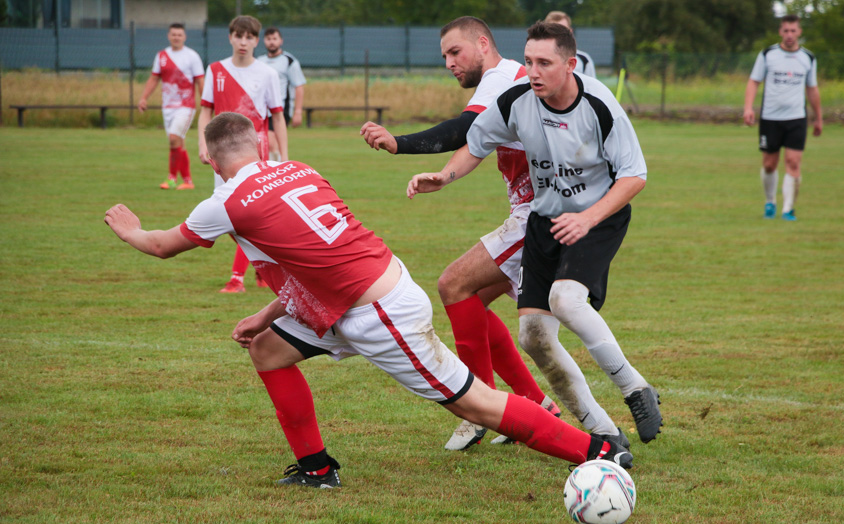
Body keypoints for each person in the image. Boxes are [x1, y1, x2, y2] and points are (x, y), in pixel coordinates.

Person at [104, 111, 633, 489]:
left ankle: (598, 451)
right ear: (261, 145)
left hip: (378, 312)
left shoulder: (226, 203)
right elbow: (315, 265)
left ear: (209, 158)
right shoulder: (301, 170)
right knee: (267, 350)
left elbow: (161, 246)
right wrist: (266, 314)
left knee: (474, 402)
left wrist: (129, 231)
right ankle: (317, 468)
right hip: (365, 289)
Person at [407, 21, 663, 445]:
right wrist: (445, 176)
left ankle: (635, 388)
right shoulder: (517, 101)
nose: (533, 72)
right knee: (534, 338)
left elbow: (634, 176)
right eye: (528, 61)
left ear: (570, 64)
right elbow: (476, 141)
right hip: (544, 222)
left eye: (544, 63)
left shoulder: (599, 103)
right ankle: (602, 432)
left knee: (566, 299)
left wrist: (587, 218)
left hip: (597, 218)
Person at [361, 16, 593, 452]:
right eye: (444, 56)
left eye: (455, 52)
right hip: (543, 213)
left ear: (483, 44)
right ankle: (536, 402)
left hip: (541, 216)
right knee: (476, 302)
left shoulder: (500, 78)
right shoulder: (510, 83)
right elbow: (479, 143)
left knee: (454, 285)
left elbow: (464, 128)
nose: (449, 62)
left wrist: (400, 142)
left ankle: (479, 410)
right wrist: (446, 176)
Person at [197, 15, 288, 293]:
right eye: (239, 36)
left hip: (254, 154)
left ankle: (237, 279)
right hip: (222, 156)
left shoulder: (268, 74)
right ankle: (264, 267)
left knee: (242, 217)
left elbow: (277, 117)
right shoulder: (215, 70)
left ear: (256, 40)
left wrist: (284, 156)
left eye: (249, 37)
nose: (243, 42)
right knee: (230, 220)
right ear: (230, 37)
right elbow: (205, 112)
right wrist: (202, 143)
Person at [743, 13, 822, 222]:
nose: (789, 34)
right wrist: (748, 108)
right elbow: (753, 81)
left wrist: (819, 118)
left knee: (793, 162)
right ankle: (770, 202)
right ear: (780, 31)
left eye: (793, 30)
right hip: (770, 118)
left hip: (797, 117)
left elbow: (812, 89)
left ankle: (788, 209)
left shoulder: (808, 58)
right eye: (786, 30)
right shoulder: (768, 54)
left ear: (799, 32)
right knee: (769, 164)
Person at [138, 23, 205, 190]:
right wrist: (144, 98)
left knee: (174, 139)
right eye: (173, 34)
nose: (176, 37)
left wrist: (206, 104)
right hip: (167, 107)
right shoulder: (161, 55)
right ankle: (188, 182)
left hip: (185, 105)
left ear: (184, 37)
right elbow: (154, 78)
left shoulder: (192, 56)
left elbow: (200, 81)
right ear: (169, 36)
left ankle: (171, 178)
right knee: (178, 143)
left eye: (179, 34)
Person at [258, 26, 307, 161]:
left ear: (281, 41)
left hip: (280, 110)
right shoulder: (259, 61)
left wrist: (297, 111)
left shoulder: (289, 61)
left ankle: (277, 172)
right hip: (261, 110)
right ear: (264, 41)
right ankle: (277, 169)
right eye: (268, 39)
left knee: (272, 143)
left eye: (275, 39)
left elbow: (299, 86)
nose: (272, 42)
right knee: (264, 145)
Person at [543, 11, 596, 78]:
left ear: (570, 32)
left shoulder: (584, 60)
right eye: (553, 30)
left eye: (562, 29)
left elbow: (590, 86)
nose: (558, 34)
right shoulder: (536, 58)